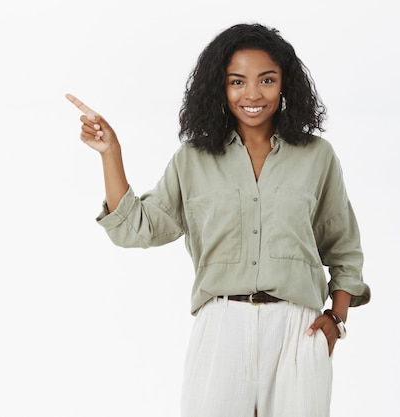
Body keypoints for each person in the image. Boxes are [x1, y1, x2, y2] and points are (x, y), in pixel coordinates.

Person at [66, 23, 371, 417]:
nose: (252, 94)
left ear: (285, 85)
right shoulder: (193, 159)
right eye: (237, 81)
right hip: (221, 326)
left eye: (266, 79)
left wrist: (336, 320)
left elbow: (344, 248)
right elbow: (136, 228)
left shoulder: (317, 156)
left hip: (298, 329)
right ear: (220, 88)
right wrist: (111, 154)